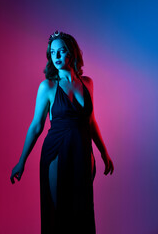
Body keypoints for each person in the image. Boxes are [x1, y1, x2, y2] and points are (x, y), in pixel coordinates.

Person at [10, 30, 114, 234]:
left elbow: (91, 121)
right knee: (59, 215)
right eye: (52, 52)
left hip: (83, 152)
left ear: (72, 53)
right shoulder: (47, 86)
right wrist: (21, 161)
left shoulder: (88, 83)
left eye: (62, 51)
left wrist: (103, 152)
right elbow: (36, 126)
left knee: (82, 212)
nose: (56, 57)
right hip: (56, 152)